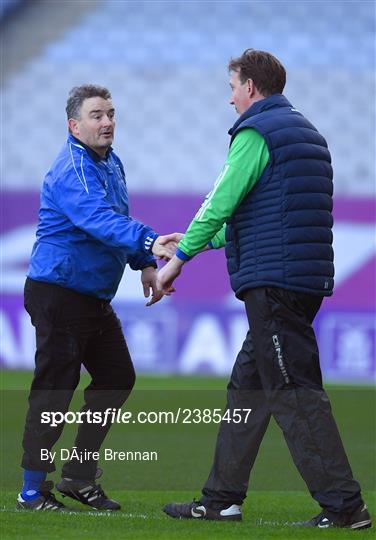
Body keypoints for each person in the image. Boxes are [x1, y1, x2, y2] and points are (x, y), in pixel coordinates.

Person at [158, 50, 371, 530]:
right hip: (299, 278)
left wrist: (178, 260)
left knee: (295, 394)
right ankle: (221, 499)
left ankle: (344, 507)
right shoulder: (306, 133)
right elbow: (261, 211)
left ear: (251, 86)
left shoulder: (256, 132)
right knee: (247, 390)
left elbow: (222, 202)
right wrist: (196, 240)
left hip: (274, 284)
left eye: (232, 86)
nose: (230, 97)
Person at [18, 84, 180, 512]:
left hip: (90, 297)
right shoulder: (72, 166)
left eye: (110, 113)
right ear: (74, 125)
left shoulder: (110, 162)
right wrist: (150, 240)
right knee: (55, 391)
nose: (107, 121)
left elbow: (116, 220)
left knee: (115, 378)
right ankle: (32, 490)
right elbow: (96, 218)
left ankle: (77, 476)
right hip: (58, 292)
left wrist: (144, 260)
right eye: (96, 115)